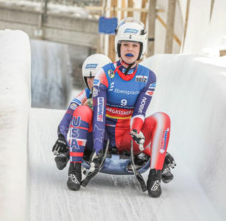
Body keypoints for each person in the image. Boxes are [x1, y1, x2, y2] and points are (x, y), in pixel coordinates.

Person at [55, 17, 175, 198]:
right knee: (83, 110)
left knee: (163, 118)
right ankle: (75, 169)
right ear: (119, 46)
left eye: (134, 46)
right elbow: (100, 114)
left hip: (128, 136)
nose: (129, 50)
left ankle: (155, 175)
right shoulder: (104, 73)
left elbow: (140, 111)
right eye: (125, 45)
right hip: (103, 134)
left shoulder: (149, 77)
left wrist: (136, 130)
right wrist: (97, 147)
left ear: (140, 48)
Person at [52, 54, 112, 170]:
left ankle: (70, 151)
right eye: (88, 77)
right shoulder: (85, 94)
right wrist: (62, 137)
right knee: (82, 112)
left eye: (96, 77)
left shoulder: (117, 92)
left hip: (115, 137)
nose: (91, 82)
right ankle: (71, 150)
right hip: (93, 139)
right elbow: (69, 115)